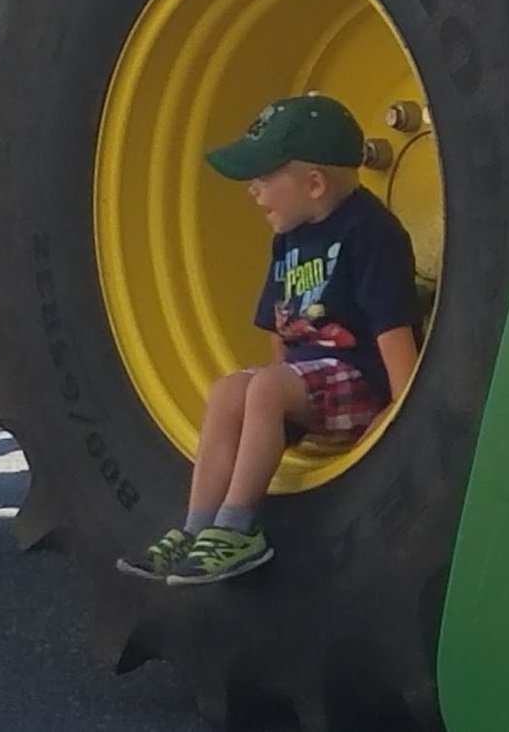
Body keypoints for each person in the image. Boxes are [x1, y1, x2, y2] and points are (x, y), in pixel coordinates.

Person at [116, 93, 420, 585]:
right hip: (310, 387)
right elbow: (281, 333)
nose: (252, 192)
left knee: (265, 387)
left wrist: (404, 411)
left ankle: (238, 528)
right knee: (228, 390)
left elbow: (391, 326)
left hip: (362, 383)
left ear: (314, 183)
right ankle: (197, 528)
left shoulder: (371, 234)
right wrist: (278, 415)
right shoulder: (288, 239)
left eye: (262, 179)